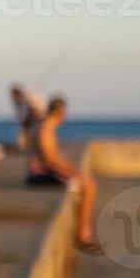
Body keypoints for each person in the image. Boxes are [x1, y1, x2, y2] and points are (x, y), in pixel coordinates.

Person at [25, 94, 102, 253]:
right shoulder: (46, 128)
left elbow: (52, 158)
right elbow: (49, 159)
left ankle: (83, 233)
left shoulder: (44, 125)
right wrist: (72, 173)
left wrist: (71, 171)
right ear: (61, 112)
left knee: (86, 183)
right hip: (40, 175)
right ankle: (82, 236)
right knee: (89, 187)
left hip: (42, 172)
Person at [10, 83, 46, 153]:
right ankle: (26, 147)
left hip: (40, 116)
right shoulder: (18, 102)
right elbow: (22, 118)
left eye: (15, 96)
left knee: (36, 133)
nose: (14, 98)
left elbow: (35, 111)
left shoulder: (30, 98)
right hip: (32, 118)